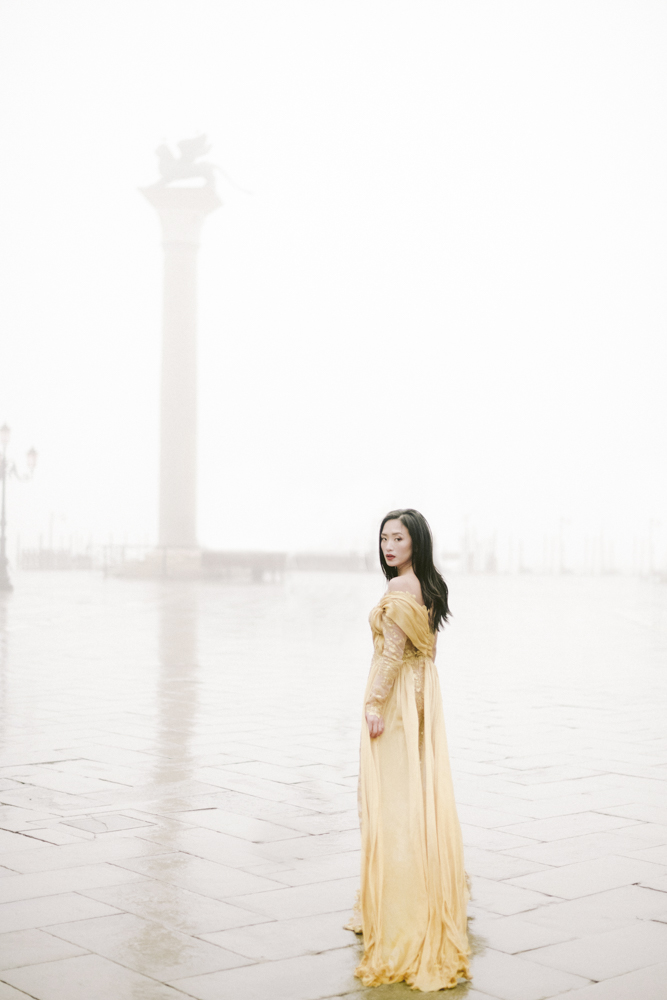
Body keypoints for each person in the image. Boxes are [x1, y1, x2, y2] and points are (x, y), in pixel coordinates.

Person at [345, 508, 471, 991]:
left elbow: (392, 653)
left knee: (395, 795)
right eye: (383, 539)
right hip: (423, 692)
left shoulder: (400, 588)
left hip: (398, 697)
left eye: (397, 538)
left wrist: (375, 703)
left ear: (416, 541)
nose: (388, 546)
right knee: (418, 790)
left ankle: (402, 902)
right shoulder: (428, 584)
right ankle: (422, 884)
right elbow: (424, 651)